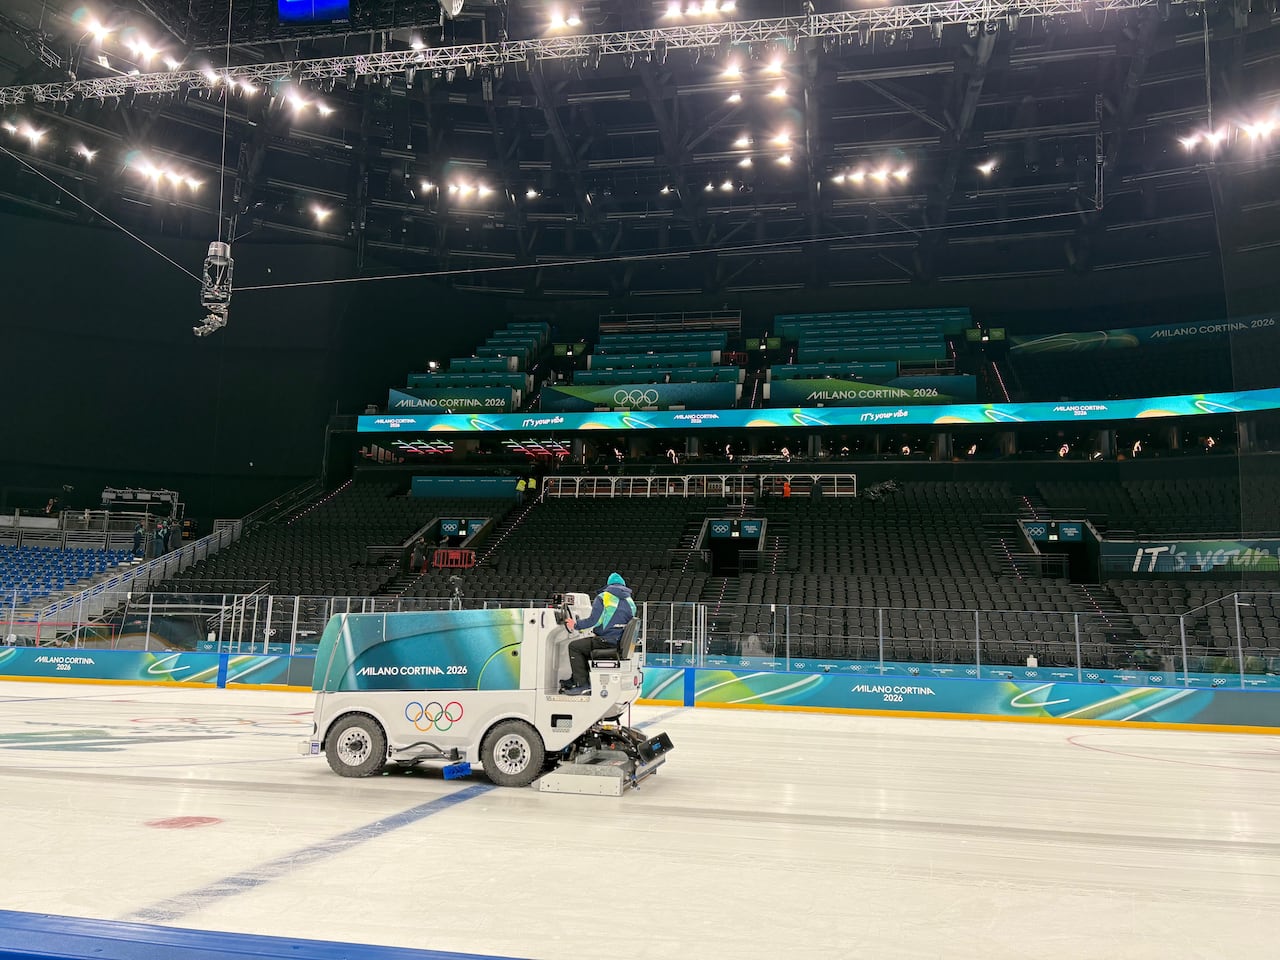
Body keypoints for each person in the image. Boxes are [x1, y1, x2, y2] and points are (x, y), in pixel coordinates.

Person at [561, 573, 636, 696]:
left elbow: (594, 620)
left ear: (609, 584)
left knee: (575, 646)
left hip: (606, 640)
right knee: (585, 646)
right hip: (618, 641)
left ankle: (582, 685)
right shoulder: (630, 601)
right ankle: (576, 678)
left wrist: (575, 625)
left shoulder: (603, 597)